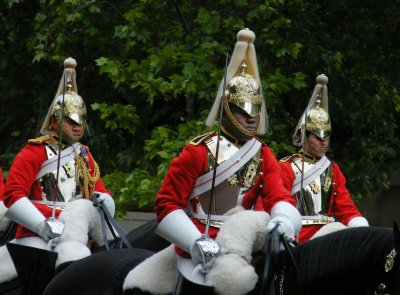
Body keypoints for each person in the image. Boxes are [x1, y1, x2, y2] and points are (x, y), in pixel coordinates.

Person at [123, 28, 302, 294]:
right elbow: (166, 203)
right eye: (243, 111)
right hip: (201, 243)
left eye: (255, 110)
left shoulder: (263, 154)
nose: (252, 118)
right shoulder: (198, 151)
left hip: (246, 242)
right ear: (226, 110)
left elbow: (280, 197)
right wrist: (195, 241)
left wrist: (283, 220)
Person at [0, 57, 114, 285]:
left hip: (79, 231)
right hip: (38, 231)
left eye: (81, 120)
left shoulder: (85, 155)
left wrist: (103, 201)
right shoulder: (34, 151)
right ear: (54, 121)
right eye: (71, 120)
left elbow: (97, 189)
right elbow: (13, 194)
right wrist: (43, 225)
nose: (77, 126)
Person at [279, 74, 369, 244]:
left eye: (326, 137)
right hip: (297, 236)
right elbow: (282, 202)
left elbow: (345, 207)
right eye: (318, 137)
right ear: (304, 135)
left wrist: (360, 227)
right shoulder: (286, 166)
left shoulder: (332, 169)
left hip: (328, 235)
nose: (323, 142)